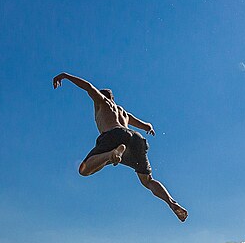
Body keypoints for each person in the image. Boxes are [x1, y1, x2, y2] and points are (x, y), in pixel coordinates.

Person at [53, 72, 188, 222]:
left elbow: (88, 87)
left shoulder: (101, 102)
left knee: (84, 170)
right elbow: (146, 125)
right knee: (148, 181)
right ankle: (171, 203)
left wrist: (65, 76)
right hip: (137, 138)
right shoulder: (124, 113)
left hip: (114, 135)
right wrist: (148, 128)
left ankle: (111, 154)